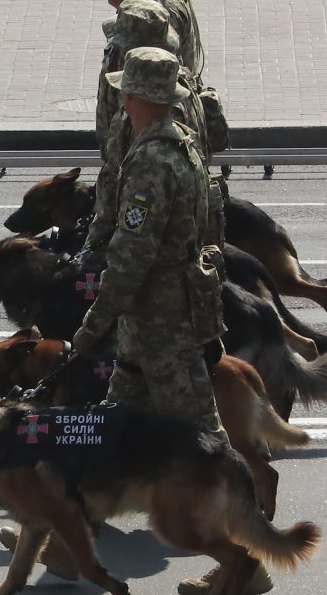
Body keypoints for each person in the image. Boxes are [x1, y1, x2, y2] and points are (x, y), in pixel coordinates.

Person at [74, 47, 227, 450]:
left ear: (135, 98)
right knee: (109, 431)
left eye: (125, 91)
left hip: (162, 326)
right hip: (157, 322)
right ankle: (76, 511)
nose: (121, 98)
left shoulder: (149, 162)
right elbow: (210, 224)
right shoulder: (184, 146)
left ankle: (241, 509)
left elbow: (130, 256)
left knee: (203, 444)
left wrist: (94, 324)